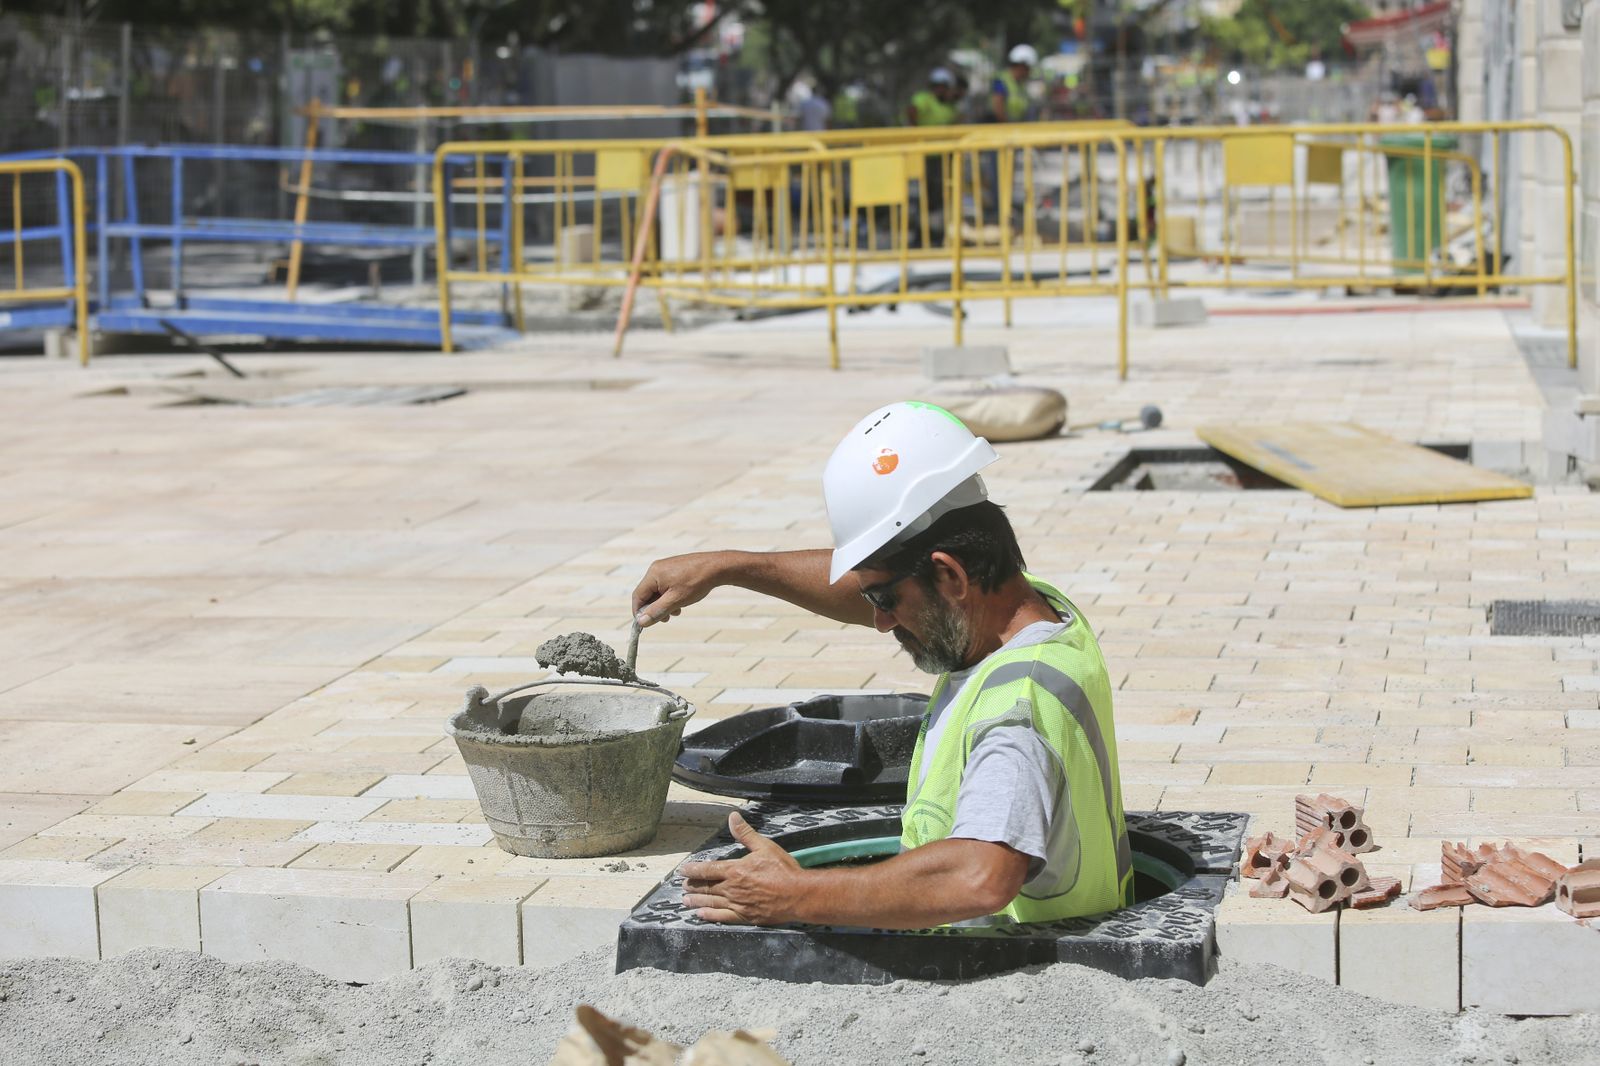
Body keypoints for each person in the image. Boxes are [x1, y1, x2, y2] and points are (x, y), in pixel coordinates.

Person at [631, 402, 1133, 929]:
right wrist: (730, 568)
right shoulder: (1027, 605)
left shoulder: (1018, 709)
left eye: (886, 601)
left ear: (951, 576)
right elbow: (877, 582)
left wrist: (794, 896)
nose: (879, 622)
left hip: (1000, 957)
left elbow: (981, 876)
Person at [991, 43, 1037, 124]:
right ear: (1022, 66)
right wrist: (1009, 127)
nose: (1030, 71)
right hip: (1002, 128)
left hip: (1015, 128)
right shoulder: (1001, 81)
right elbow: (998, 109)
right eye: (1028, 68)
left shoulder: (1020, 84)